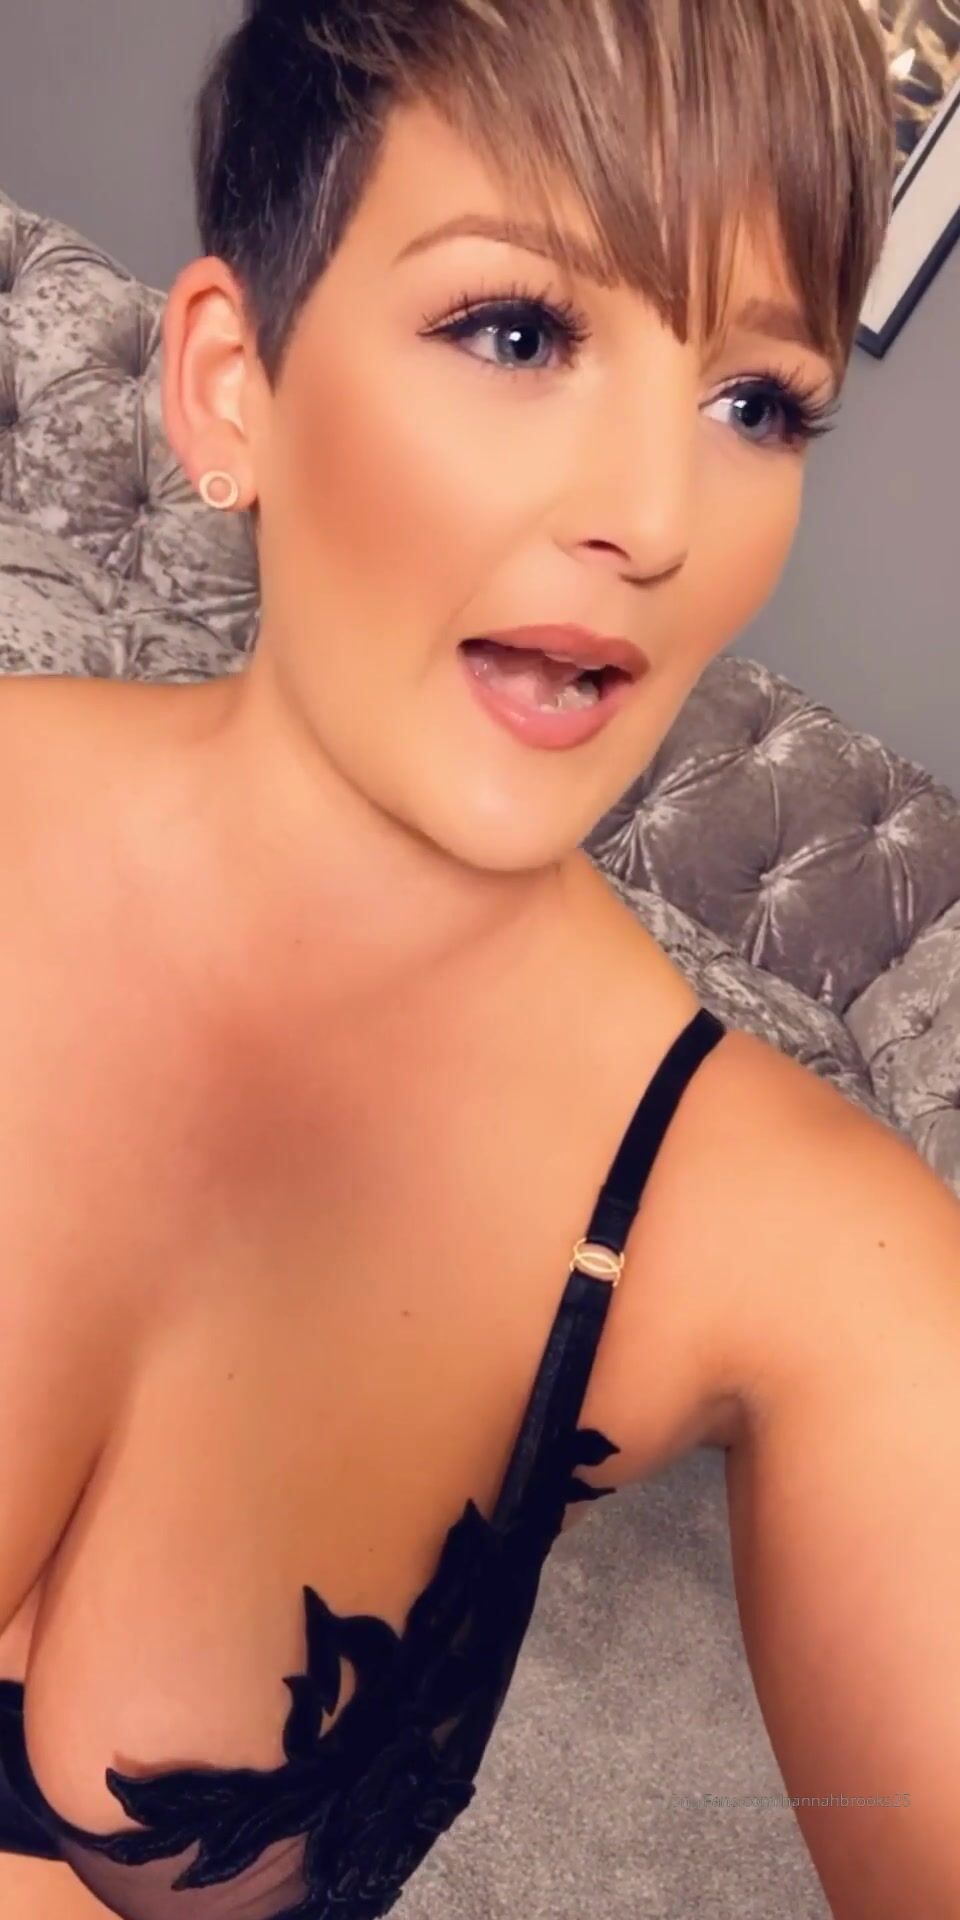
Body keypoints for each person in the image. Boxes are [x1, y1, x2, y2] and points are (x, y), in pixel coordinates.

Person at [1, 2, 958, 1917]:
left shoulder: (809, 1250)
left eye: (755, 403)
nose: (656, 520)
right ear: (233, 387)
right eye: (519, 332)